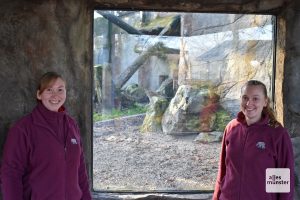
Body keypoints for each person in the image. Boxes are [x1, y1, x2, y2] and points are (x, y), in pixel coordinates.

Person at [0, 72, 92, 200]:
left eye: (60, 90)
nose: (55, 95)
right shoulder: (23, 129)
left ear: (66, 92)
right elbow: (10, 175)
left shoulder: (72, 125)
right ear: (39, 94)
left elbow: (80, 170)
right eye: (49, 90)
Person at [213, 80, 294, 200]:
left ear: (265, 101)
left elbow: (282, 185)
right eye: (245, 97)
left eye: (255, 98)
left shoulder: (277, 134)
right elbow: (223, 170)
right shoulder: (231, 127)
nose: (249, 103)